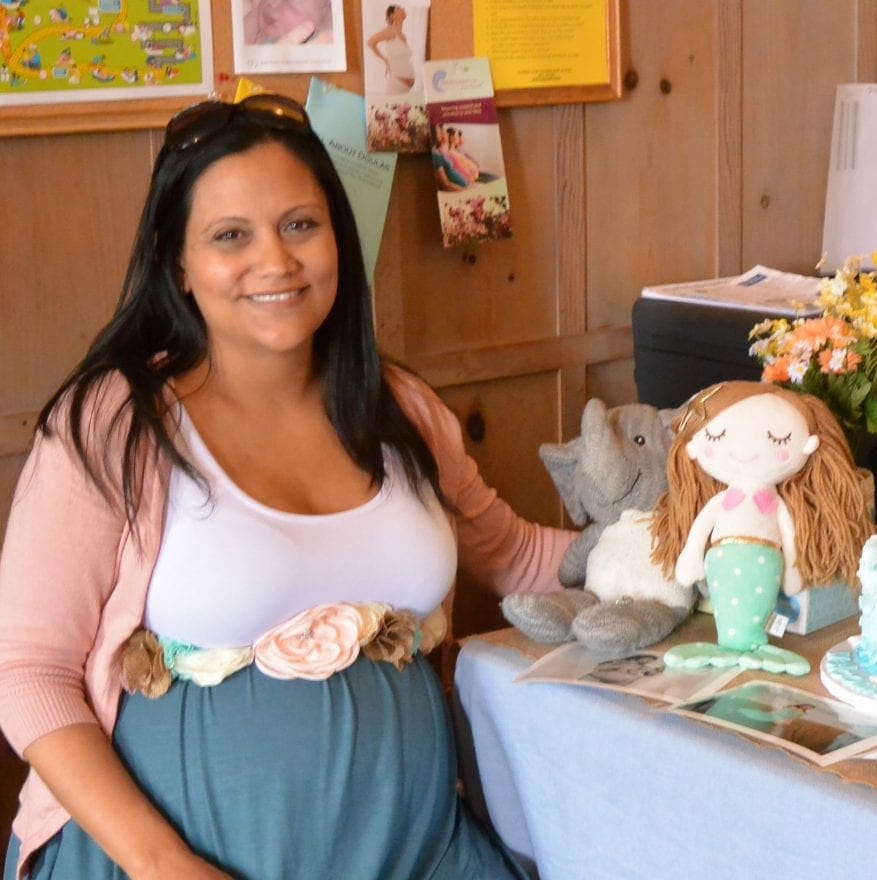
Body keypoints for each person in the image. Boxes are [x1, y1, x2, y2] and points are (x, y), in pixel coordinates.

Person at [0, 93, 573, 880]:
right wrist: (164, 866)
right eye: (230, 236)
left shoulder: (397, 407)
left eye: (300, 224)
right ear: (179, 265)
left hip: (421, 854)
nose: (276, 261)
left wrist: (682, 539)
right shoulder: (112, 422)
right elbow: (29, 671)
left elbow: (513, 556)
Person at [648, 381, 870, 671]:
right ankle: (729, 641)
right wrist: (691, 555)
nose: (744, 450)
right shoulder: (721, 500)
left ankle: (753, 641)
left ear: (809, 445)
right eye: (717, 435)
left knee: (757, 602)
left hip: (765, 563)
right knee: (727, 602)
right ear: (693, 447)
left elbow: (790, 538)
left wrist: (792, 569)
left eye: (778, 439)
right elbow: (700, 527)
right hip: (722, 560)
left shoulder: (777, 505)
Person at [366, 5, 415, 95]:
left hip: (406, 89)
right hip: (396, 85)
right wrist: (385, 60)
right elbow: (370, 42)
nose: (403, 9)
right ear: (392, 16)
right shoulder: (390, 31)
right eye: (399, 8)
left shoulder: (403, 36)